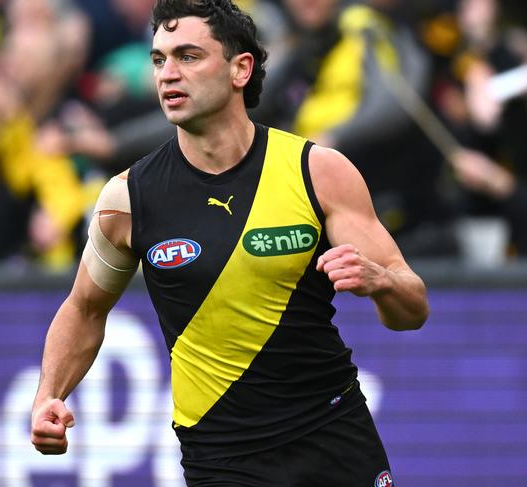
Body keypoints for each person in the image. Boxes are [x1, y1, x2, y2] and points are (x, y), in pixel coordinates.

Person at [31, 1, 429, 485]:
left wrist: (381, 280)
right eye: (159, 60)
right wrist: (48, 395)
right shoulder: (127, 198)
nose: (168, 74)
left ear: (241, 69)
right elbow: (84, 309)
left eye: (189, 56)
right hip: (221, 460)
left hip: (333, 439)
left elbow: (413, 309)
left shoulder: (318, 172)